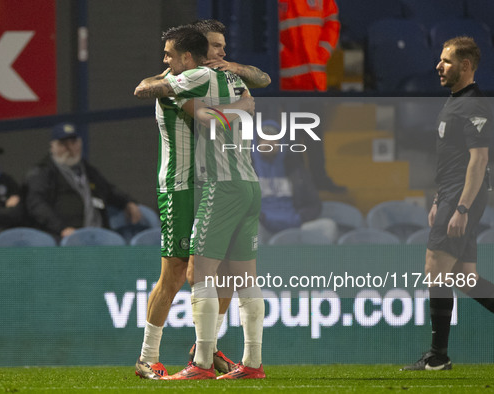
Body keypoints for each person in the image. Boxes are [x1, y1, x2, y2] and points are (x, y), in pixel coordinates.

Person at [133, 20, 271, 380]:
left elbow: (259, 79)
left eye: (225, 47)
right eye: (217, 47)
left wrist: (238, 80)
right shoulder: (187, 79)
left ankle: (204, 349)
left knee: (216, 271)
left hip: (214, 184)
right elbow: (147, 87)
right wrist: (242, 106)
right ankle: (149, 356)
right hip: (181, 185)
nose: (223, 53)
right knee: (177, 271)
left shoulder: (221, 77)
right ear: (196, 52)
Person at [402, 36, 494, 371]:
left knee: (435, 271)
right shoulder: (455, 101)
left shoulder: (473, 104)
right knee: (465, 278)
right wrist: (440, 199)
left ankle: (437, 357)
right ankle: (438, 356)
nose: (439, 66)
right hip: (452, 196)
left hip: (463, 198)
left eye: (447, 61)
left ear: (466, 66)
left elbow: (479, 160)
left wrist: (462, 208)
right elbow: (452, 159)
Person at [24, 122, 141, 240]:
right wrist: (62, 228)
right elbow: (37, 204)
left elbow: (108, 190)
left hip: (97, 237)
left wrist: (127, 202)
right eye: (63, 144)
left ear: (80, 144)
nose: (69, 149)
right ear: (52, 147)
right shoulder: (43, 171)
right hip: (65, 239)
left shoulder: (86, 169)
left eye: (73, 143)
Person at [278, 0, 345, 193]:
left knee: (314, 134)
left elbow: (332, 22)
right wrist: (285, 59)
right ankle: (297, 183)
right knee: (292, 138)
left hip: (314, 79)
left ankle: (319, 178)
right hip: (289, 79)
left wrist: (322, 53)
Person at [252, 120, 337, 243]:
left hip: (294, 223)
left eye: (274, 139)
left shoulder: (296, 169)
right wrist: (262, 217)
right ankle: (259, 263)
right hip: (263, 224)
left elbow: (314, 203)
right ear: (256, 142)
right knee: (251, 228)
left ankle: (316, 262)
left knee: (328, 226)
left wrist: (298, 217)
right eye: (264, 139)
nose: (270, 143)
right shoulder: (246, 169)